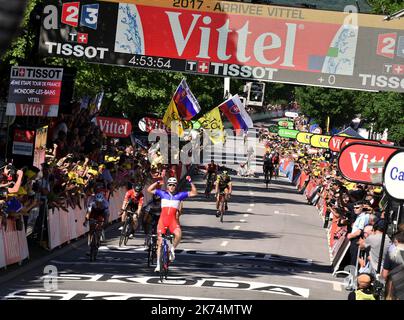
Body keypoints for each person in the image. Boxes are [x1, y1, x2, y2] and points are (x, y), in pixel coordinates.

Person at [147, 176, 197, 272]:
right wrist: (157, 182)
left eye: (174, 185)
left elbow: (194, 192)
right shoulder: (162, 193)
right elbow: (149, 189)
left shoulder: (180, 195)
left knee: (179, 234)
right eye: (170, 185)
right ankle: (158, 265)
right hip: (162, 221)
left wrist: (190, 181)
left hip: (172, 221)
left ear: (176, 186)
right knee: (160, 242)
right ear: (167, 186)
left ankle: (172, 249)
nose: (172, 187)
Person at [346, 201, 370, 266]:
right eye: (354, 208)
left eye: (357, 208)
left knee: (354, 258)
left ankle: (353, 274)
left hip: (356, 239)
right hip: (355, 239)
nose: (355, 209)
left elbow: (359, 231)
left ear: (362, 207)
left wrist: (351, 235)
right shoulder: (359, 216)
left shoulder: (363, 217)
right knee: (353, 256)